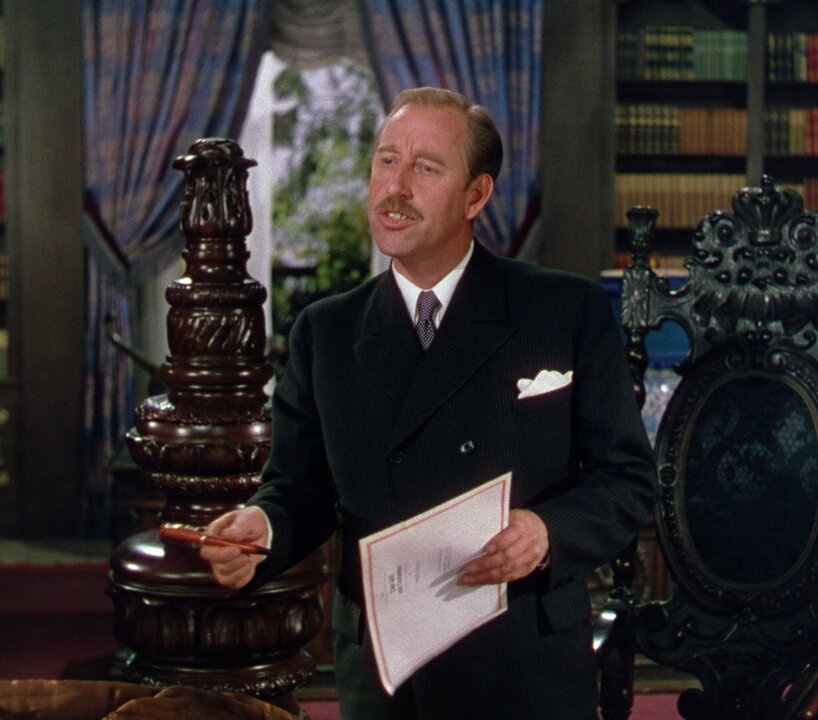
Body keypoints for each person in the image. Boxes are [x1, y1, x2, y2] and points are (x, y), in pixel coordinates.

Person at [200, 86, 657, 720]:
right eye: (386, 161)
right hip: (389, 674)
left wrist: (547, 532)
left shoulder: (562, 310)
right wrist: (264, 527)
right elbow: (299, 490)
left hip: (523, 661)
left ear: (476, 195)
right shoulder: (325, 332)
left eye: (425, 168)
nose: (395, 188)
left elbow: (628, 480)